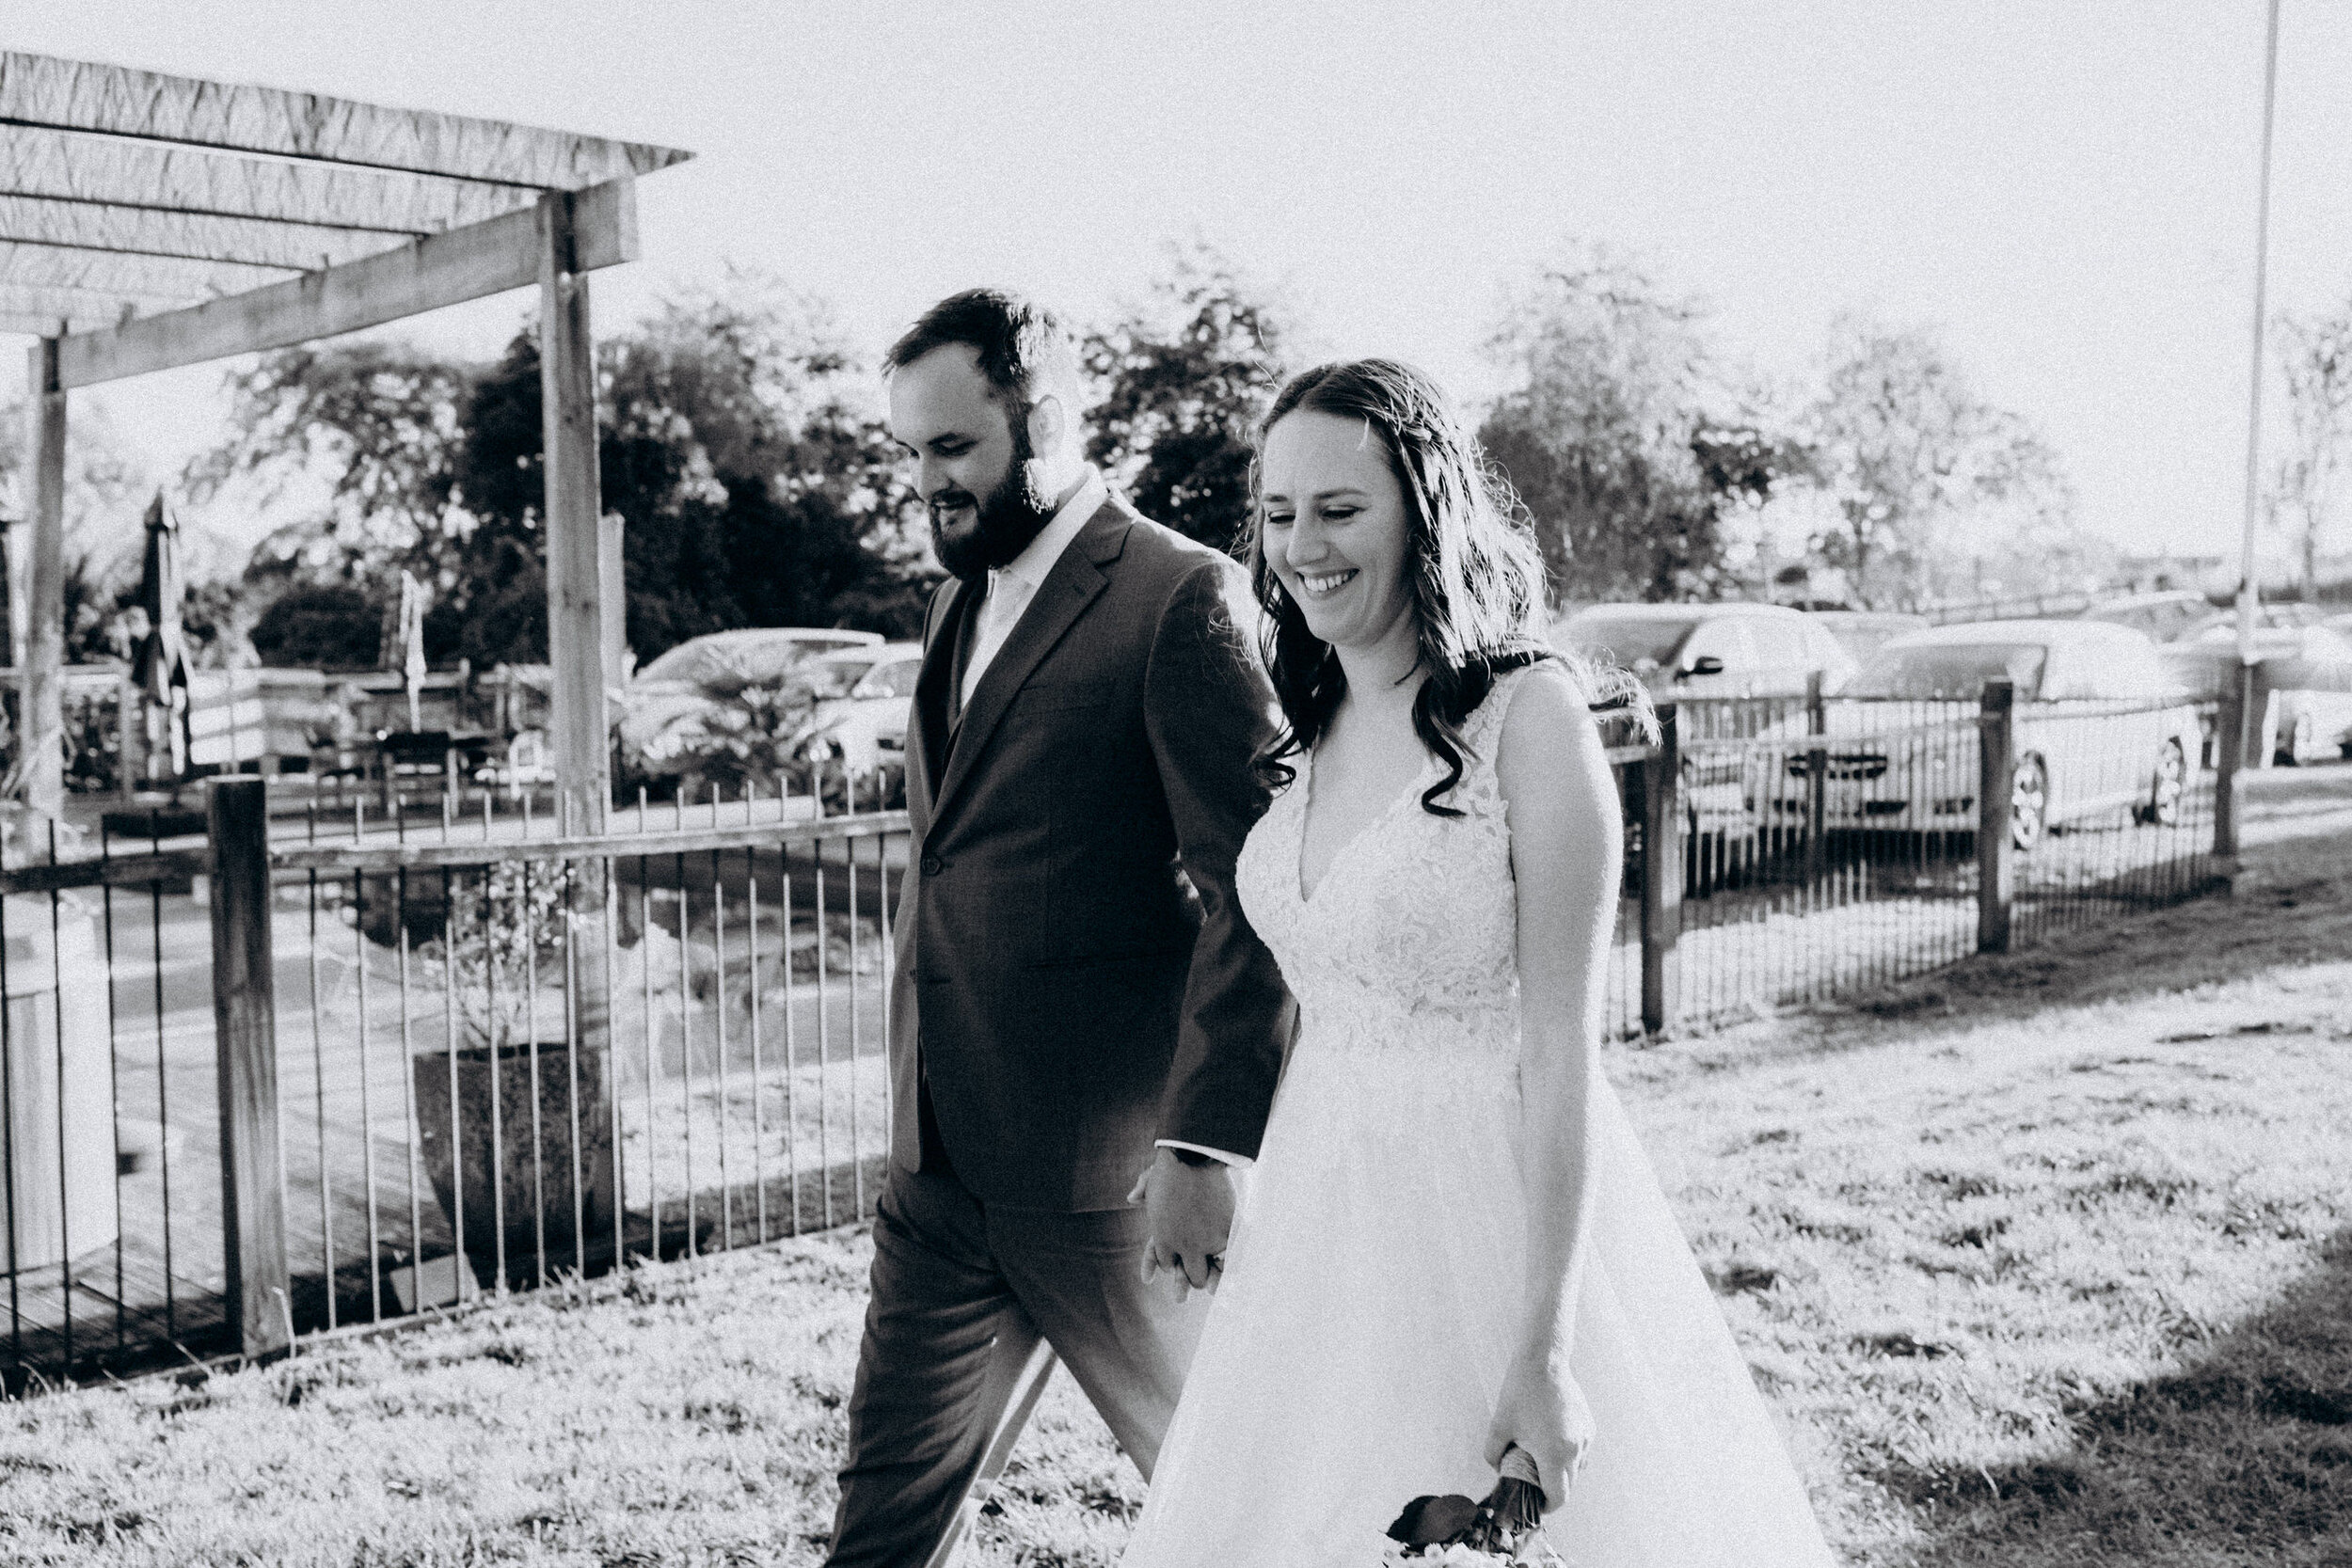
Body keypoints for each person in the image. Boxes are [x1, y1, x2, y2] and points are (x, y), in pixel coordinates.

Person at [1120, 360, 1836, 1564]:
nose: (1303, 544)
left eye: (1340, 509)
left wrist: (1542, 1346)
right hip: (1319, 1221)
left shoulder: (1531, 722)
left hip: (1486, 1219)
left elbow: (1564, 1058)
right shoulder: (1309, 722)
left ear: (1423, 508)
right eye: (1280, 514)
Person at [825, 290, 1293, 1566]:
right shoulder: (952, 605)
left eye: (954, 449)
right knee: (877, 1540)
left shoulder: (1179, 598)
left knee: (1246, 1511)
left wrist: (1205, 1141)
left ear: (1051, 421)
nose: (926, 484)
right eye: (909, 453)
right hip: (938, 1172)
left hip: (1110, 1187)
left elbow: (1259, 894)